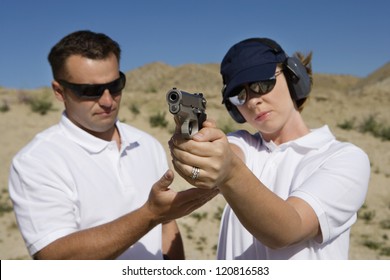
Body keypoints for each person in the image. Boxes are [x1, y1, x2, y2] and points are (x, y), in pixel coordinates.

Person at [8, 30, 218, 260]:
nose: (107, 101)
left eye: (116, 85)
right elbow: (56, 258)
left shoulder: (146, 144)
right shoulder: (36, 161)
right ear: (60, 91)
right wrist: (150, 214)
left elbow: (167, 228)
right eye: (90, 90)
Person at [169, 38, 370, 259]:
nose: (253, 101)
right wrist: (195, 148)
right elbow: (222, 155)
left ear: (294, 78)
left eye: (262, 84)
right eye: (240, 95)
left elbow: (288, 230)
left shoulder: (343, 158)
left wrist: (228, 170)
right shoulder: (243, 144)